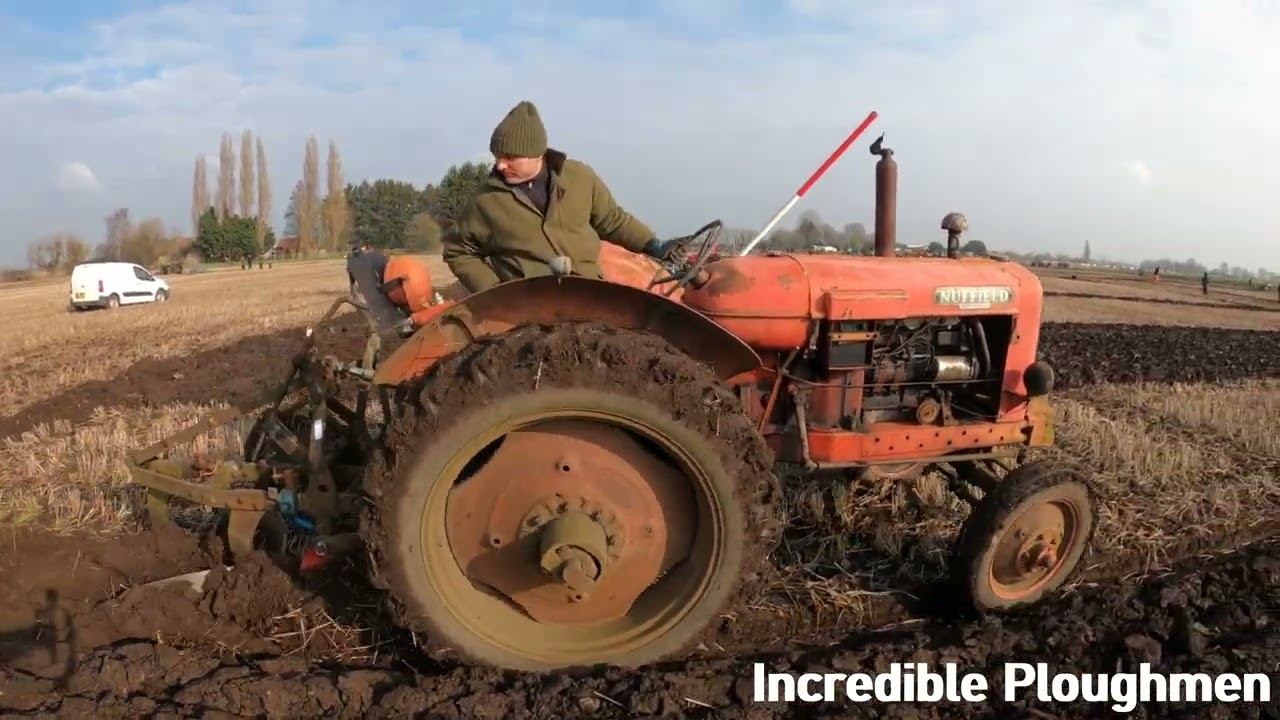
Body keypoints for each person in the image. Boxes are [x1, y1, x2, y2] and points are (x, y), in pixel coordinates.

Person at [442, 100, 675, 293]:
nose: (500, 165)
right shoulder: (486, 201)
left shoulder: (579, 177)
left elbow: (612, 221)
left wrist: (652, 244)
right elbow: (458, 250)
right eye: (497, 157)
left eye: (510, 157)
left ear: (536, 154)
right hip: (528, 301)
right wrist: (494, 291)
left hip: (592, 291)